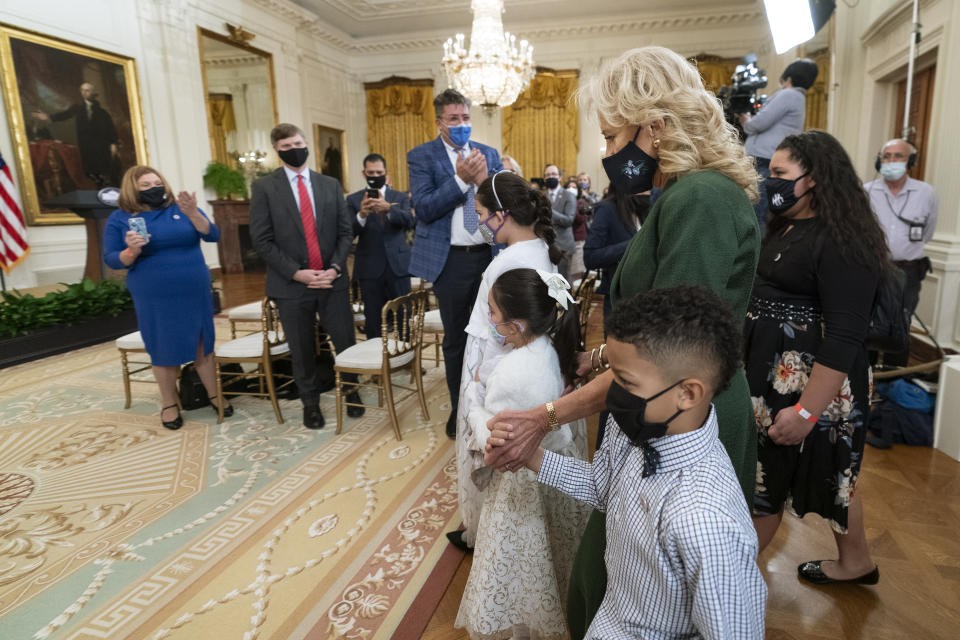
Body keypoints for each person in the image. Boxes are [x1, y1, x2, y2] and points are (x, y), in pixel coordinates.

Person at [484, 46, 762, 638]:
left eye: (612, 137)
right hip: (652, 401)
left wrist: (546, 415)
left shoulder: (700, 198)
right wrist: (605, 358)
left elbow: (671, 348)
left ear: (655, 124)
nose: (606, 154)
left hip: (681, 412)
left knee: (658, 588)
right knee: (616, 567)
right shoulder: (681, 194)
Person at [491, 285, 767, 638]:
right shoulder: (634, 428)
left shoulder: (706, 521)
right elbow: (602, 488)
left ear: (688, 393)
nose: (613, 394)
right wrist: (531, 455)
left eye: (625, 381)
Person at [747, 130, 888, 585]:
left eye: (781, 175)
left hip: (814, 385)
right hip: (774, 375)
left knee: (767, 481)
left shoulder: (843, 239)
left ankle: (727, 585)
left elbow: (845, 336)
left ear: (815, 179)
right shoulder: (785, 223)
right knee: (835, 472)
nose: (772, 185)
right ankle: (856, 563)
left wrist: (807, 411)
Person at [456, 268, 590, 640]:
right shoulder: (547, 348)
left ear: (514, 325)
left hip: (520, 484)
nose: (489, 318)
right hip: (551, 468)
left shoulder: (514, 372)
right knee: (548, 562)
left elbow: (496, 437)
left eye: (492, 312)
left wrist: (472, 402)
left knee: (518, 572)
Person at [448, 170, 564, 553]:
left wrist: (485, 374)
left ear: (503, 213)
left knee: (483, 431)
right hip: (518, 350)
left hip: (494, 354)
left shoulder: (506, 262)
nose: (480, 222)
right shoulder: (539, 246)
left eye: (482, 214)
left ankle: (483, 529)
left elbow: (503, 328)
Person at [249, 123, 363, 431]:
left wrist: (335, 268)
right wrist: (297, 273)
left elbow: (344, 231)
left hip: (331, 279)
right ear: (277, 150)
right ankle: (310, 402)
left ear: (306, 143)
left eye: (297, 143)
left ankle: (351, 390)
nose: (293, 150)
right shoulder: (264, 188)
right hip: (291, 285)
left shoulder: (329, 184)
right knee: (300, 348)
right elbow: (261, 240)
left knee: (345, 341)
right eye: (286, 147)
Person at [407, 89, 503, 438]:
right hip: (450, 263)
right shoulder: (422, 156)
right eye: (453, 119)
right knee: (457, 341)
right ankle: (459, 408)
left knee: (494, 334)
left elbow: (504, 204)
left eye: (465, 118)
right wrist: (460, 179)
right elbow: (426, 208)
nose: (461, 124)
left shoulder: (488, 153)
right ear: (439, 122)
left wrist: (482, 182)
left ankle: (490, 401)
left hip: (488, 256)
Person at [103, 165, 229, 429]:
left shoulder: (181, 209)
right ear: (132, 189)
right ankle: (169, 404)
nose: (154, 189)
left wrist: (193, 213)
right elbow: (113, 259)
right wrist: (131, 251)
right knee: (163, 346)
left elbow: (212, 234)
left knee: (202, 343)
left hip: (193, 287)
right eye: (145, 186)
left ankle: (215, 395)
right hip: (154, 292)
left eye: (156, 183)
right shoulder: (120, 218)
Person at [864, 138, 938, 366]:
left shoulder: (925, 192)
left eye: (898, 156)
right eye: (887, 156)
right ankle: (866, 378)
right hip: (874, 268)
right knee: (870, 322)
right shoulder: (867, 190)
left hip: (909, 270)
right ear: (879, 161)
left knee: (901, 324)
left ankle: (894, 382)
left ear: (910, 161)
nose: (892, 161)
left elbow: (928, 231)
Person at [738, 58, 818, 234]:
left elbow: (759, 124)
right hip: (769, 159)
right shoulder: (799, 97)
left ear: (788, 77)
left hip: (764, 161)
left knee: (755, 213)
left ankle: (756, 258)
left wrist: (746, 121)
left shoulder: (788, 94)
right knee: (762, 213)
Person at [345, 153, 415, 338]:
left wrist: (389, 208)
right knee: (373, 319)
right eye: (371, 173)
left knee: (404, 315)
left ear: (386, 173)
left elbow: (410, 221)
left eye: (379, 172)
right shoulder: (353, 200)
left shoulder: (399, 196)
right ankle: (376, 361)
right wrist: (361, 215)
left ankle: (408, 360)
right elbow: (348, 233)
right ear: (364, 174)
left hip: (398, 266)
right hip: (369, 266)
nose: (375, 176)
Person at [583, 186, 649, 326]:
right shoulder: (607, 209)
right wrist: (633, 244)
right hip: (618, 301)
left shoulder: (642, 209)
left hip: (643, 300)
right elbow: (590, 257)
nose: (649, 190)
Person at [32, 82, 119, 187]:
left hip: (101, 145)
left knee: (104, 170)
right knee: (90, 170)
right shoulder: (78, 108)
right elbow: (65, 115)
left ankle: (105, 188)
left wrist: (113, 143)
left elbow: (110, 129)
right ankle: (98, 188)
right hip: (86, 144)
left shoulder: (102, 112)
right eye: (82, 90)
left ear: (93, 93)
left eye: (87, 90)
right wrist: (48, 117)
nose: (84, 93)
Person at [544, 163, 576, 280]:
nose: (550, 177)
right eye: (547, 175)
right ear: (544, 178)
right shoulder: (542, 196)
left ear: (560, 177)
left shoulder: (568, 195)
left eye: (553, 174)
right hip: (545, 246)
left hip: (563, 247)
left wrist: (549, 211)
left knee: (563, 282)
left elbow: (569, 220)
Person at [566, 177, 589, 282]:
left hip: (577, 243)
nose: (571, 189)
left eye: (574, 187)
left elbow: (581, 219)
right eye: (569, 187)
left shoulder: (582, 204)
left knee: (575, 275)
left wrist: (572, 203)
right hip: (564, 243)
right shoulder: (562, 203)